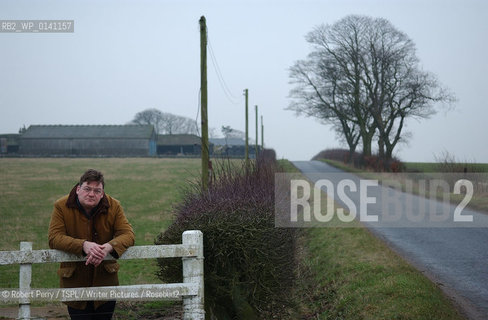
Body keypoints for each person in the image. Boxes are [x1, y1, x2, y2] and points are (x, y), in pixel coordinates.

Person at [48, 169, 135, 319]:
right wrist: (83, 245)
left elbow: (128, 234)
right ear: (78, 189)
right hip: (75, 283)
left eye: (97, 191)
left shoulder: (114, 206)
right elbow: (54, 238)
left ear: (102, 194)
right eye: (87, 189)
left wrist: (108, 247)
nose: (91, 194)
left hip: (106, 282)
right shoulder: (61, 206)